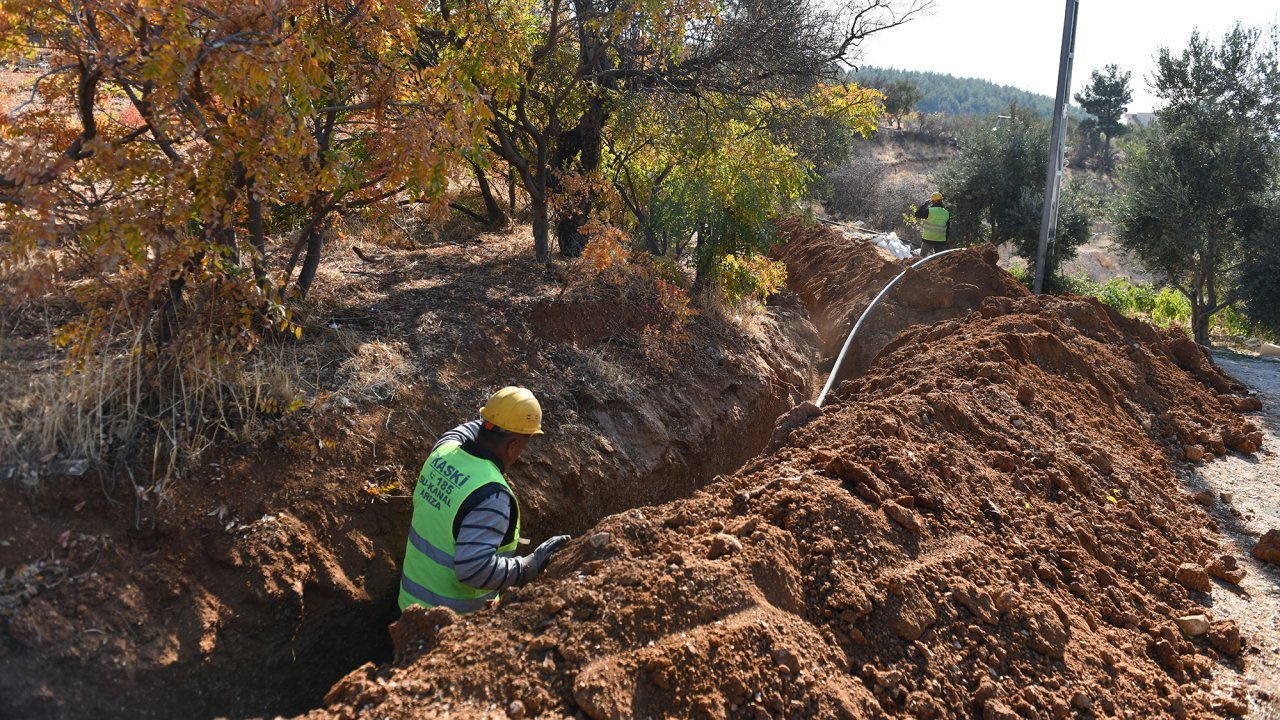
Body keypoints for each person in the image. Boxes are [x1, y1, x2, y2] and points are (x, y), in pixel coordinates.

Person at [399, 386, 570, 613]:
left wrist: (496, 416)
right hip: (451, 629)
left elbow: (459, 432)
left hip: (406, 613)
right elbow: (472, 569)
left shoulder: (442, 453)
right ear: (513, 446)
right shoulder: (491, 495)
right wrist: (528, 567)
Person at [914, 191, 950, 256]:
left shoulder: (929, 211)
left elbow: (917, 214)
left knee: (923, 255)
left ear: (933, 201)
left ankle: (923, 266)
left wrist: (925, 205)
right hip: (940, 240)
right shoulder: (946, 212)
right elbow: (947, 229)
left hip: (928, 239)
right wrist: (945, 241)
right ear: (941, 201)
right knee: (940, 259)